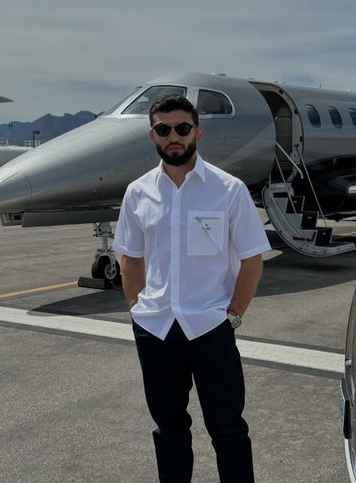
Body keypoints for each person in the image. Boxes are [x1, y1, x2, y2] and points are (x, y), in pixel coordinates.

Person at [112, 94, 271, 483]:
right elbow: (130, 259)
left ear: (197, 132)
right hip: (157, 329)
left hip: (211, 328)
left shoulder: (228, 189)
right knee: (168, 428)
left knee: (228, 427)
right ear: (153, 135)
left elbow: (252, 259)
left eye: (182, 128)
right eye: (163, 129)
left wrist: (233, 315)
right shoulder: (138, 193)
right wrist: (138, 311)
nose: (173, 137)